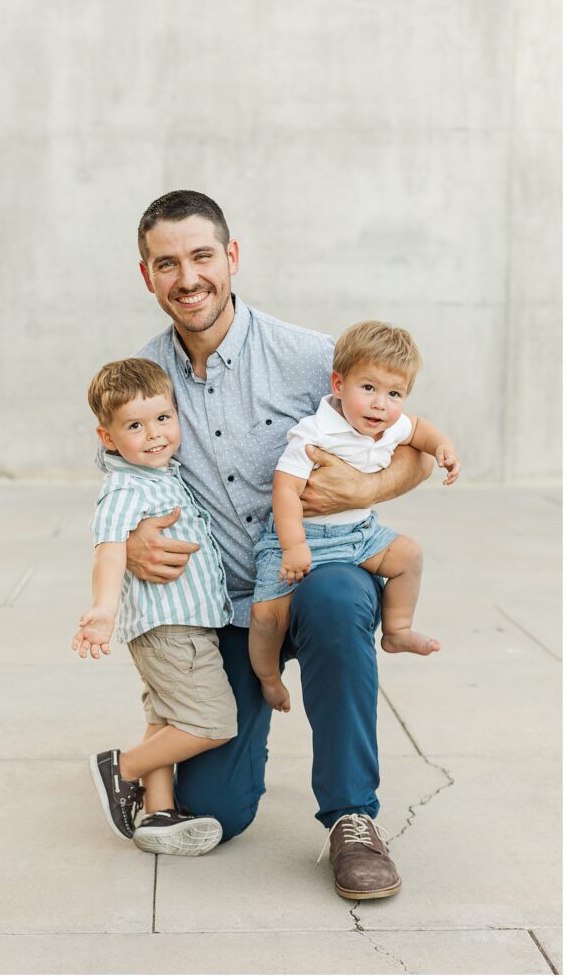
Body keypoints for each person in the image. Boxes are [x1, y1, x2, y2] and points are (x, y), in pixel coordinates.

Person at [113, 190, 433, 900]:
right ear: (147, 275)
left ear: (231, 257)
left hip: (319, 573)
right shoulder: (142, 380)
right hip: (227, 605)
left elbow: (415, 451)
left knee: (341, 598)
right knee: (217, 813)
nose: (188, 278)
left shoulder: (314, 357)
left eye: (202, 256)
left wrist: (366, 489)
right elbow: (121, 481)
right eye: (167, 264)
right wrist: (133, 542)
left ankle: (351, 817)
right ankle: (221, 754)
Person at [248, 319, 460, 713]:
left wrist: (442, 447)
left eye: (394, 393)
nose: (380, 404)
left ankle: (396, 630)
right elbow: (285, 489)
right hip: (302, 540)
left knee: (409, 556)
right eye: (368, 388)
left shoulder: (392, 424)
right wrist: (293, 546)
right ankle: (268, 677)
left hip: (358, 535)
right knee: (265, 617)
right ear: (339, 384)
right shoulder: (314, 433)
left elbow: (419, 429)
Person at [72, 357, 237, 856]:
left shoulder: (164, 474)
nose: (154, 434)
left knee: (166, 716)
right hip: (171, 626)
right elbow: (109, 549)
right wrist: (103, 609)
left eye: (163, 418)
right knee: (212, 722)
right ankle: (121, 769)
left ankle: (160, 812)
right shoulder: (126, 487)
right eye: (135, 426)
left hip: (178, 624)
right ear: (107, 437)